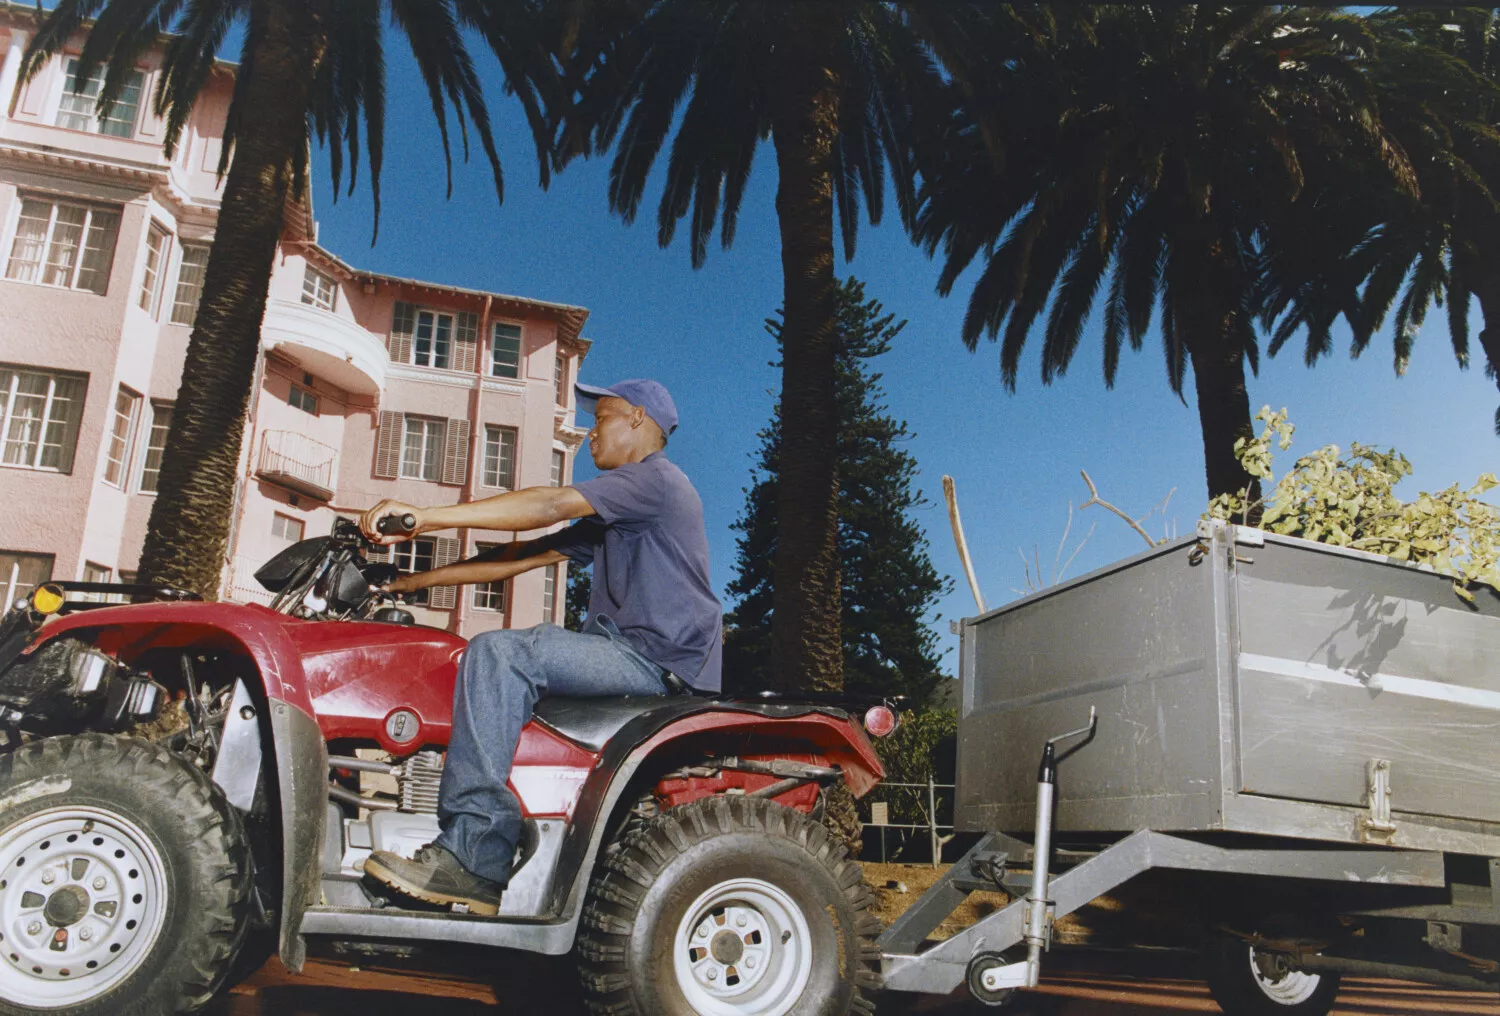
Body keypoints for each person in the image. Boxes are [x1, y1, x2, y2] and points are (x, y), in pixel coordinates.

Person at [358, 378, 722, 915]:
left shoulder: (654, 482)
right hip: (635, 653)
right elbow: (521, 555)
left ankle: (474, 855)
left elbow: (549, 503)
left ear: (639, 420)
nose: (589, 434)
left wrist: (425, 515)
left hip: (653, 659)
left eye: (602, 419)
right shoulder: (622, 508)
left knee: (499, 653)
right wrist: (411, 583)